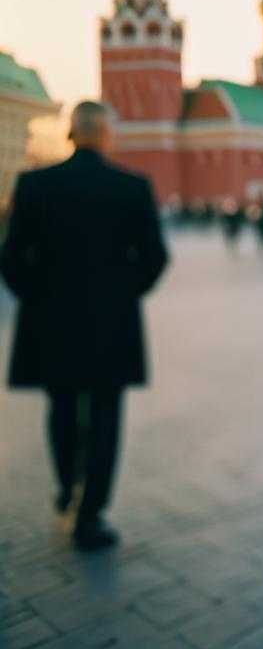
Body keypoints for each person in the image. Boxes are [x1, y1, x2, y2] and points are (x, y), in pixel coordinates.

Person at [0, 101, 169, 549]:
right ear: (106, 135)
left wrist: (37, 300)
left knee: (61, 407)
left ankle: (66, 490)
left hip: (50, 323)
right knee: (105, 413)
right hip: (111, 326)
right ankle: (90, 514)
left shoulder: (35, 184)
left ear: (71, 134)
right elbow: (155, 258)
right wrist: (121, 296)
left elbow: (11, 257)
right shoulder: (130, 187)